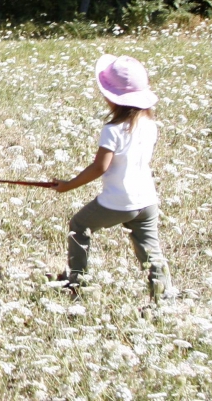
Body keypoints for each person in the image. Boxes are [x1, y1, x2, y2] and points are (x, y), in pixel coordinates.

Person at [51, 54, 173, 300]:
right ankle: (163, 297)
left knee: (79, 226)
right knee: (151, 252)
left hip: (119, 201)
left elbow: (100, 167)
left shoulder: (113, 130)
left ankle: (77, 280)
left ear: (110, 96)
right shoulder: (150, 123)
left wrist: (68, 185)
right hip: (147, 200)